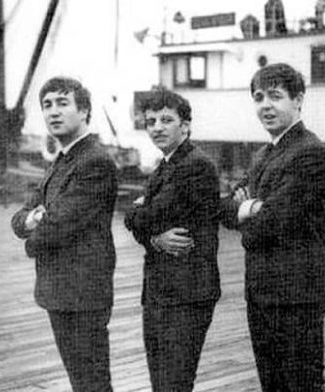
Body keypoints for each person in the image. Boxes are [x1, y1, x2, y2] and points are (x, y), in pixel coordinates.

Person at [220, 63, 325, 391]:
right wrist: (249, 208)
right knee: (272, 383)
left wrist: (250, 213)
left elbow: (271, 224)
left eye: (275, 96)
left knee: (301, 384)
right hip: (262, 292)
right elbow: (223, 208)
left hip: (297, 295)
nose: (265, 105)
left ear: (298, 100)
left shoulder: (310, 153)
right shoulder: (263, 155)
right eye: (258, 97)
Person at [11, 76, 118, 392]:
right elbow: (20, 219)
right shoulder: (62, 160)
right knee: (80, 380)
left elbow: (59, 225)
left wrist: (33, 237)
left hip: (84, 292)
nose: (53, 112)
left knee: (92, 382)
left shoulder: (94, 161)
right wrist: (32, 220)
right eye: (47, 105)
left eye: (62, 103)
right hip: (61, 291)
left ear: (83, 111)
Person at [124, 87, 221, 391]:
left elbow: (147, 215)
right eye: (151, 121)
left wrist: (138, 213)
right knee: (161, 381)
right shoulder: (165, 165)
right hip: (161, 292)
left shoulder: (195, 165)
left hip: (186, 294)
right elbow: (142, 219)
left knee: (174, 383)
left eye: (166, 120)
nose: (156, 128)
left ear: (186, 125)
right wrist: (153, 238)